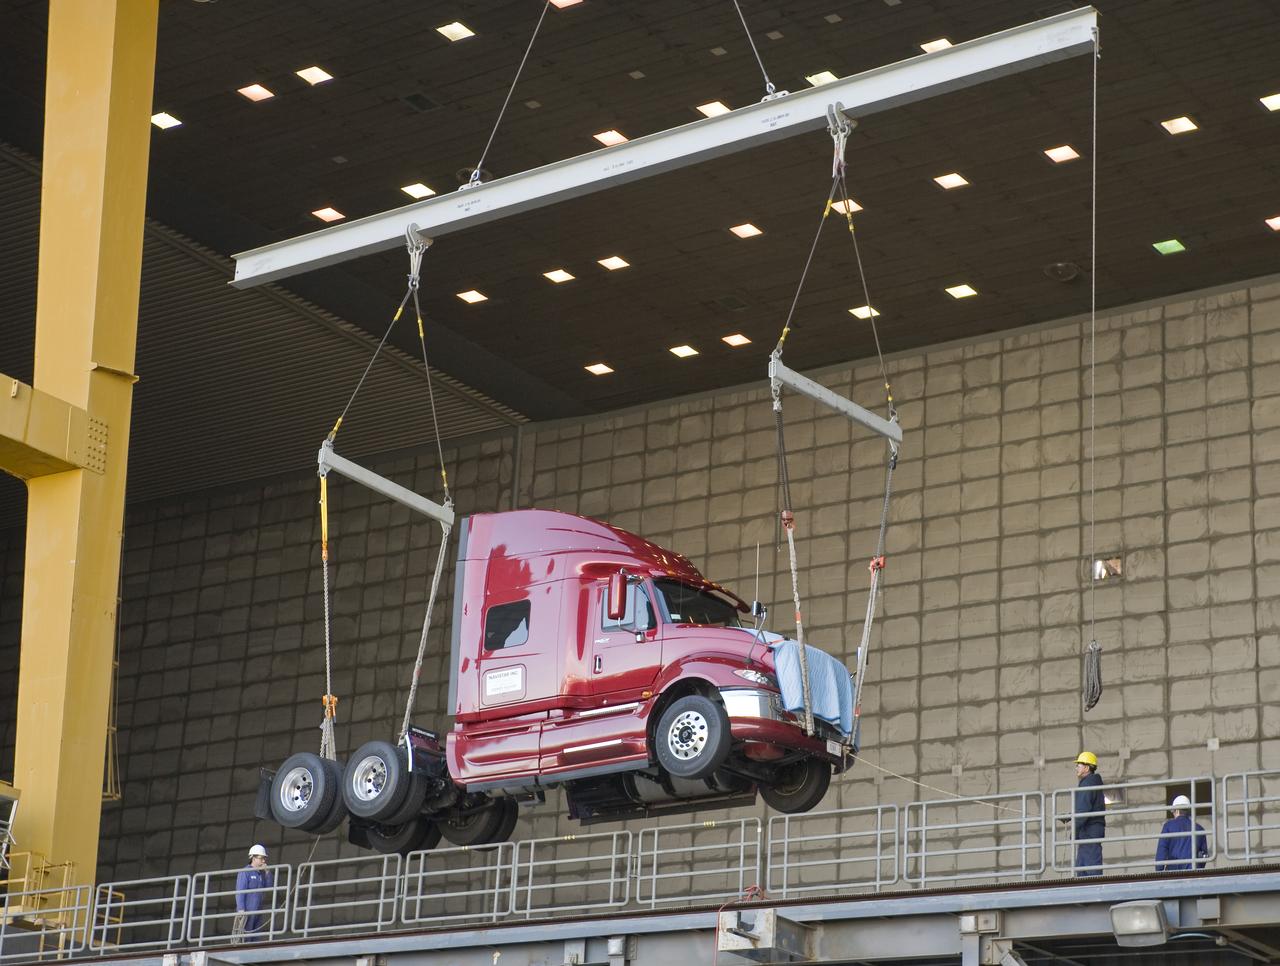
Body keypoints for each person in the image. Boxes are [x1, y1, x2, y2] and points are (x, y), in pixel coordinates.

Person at [1071, 751, 1105, 877]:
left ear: (1086, 767)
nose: (1076, 768)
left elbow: (1083, 810)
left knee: (1089, 871)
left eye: (1078, 765)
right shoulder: (1091, 782)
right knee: (1083, 869)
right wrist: (1070, 816)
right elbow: (1085, 807)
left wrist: (1074, 830)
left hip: (1090, 832)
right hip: (1088, 832)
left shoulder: (1088, 783)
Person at [1155, 795, 1209, 871]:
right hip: (1193, 872)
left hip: (1173, 872)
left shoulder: (1168, 826)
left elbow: (1162, 852)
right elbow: (1203, 856)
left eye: (1173, 812)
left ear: (1176, 810)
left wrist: (1159, 871)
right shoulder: (1199, 829)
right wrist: (1198, 869)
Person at [233, 844, 274, 941]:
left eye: (264, 858)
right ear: (253, 858)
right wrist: (241, 909)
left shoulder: (261, 873)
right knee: (246, 935)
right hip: (248, 911)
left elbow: (269, 887)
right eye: (261, 858)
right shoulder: (245, 872)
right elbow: (240, 891)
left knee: (255, 935)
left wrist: (268, 872)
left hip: (258, 909)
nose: (263, 861)